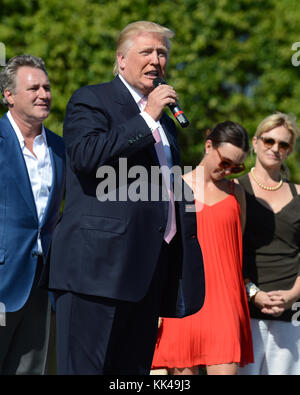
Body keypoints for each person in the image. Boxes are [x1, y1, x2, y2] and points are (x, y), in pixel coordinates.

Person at [43, 21, 205, 375]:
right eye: (146, 51)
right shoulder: (93, 99)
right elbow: (86, 157)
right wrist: (147, 117)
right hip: (95, 272)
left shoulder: (165, 121)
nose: (156, 60)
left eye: (162, 53)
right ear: (120, 59)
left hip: (146, 273)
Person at [151, 121, 254, 375]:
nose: (229, 170)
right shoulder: (173, 187)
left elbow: (235, 247)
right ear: (209, 146)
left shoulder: (235, 192)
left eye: (237, 166)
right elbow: (160, 250)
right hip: (183, 302)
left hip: (225, 306)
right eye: (225, 161)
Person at [0, 55, 65, 374]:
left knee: (31, 370)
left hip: (42, 286)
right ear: (9, 95)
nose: (44, 93)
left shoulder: (60, 148)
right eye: (34, 88)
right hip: (1, 280)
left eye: (47, 87)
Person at [237, 112, 300, 375]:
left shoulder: (299, 193)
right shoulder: (234, 189)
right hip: (244, 312)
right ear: (255, 142)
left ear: (290, 150)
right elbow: (226, 252)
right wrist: (253, 293)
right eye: (269, 140)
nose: (275, 148)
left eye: (283, 144)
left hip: (292, 316)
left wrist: (292, 295)